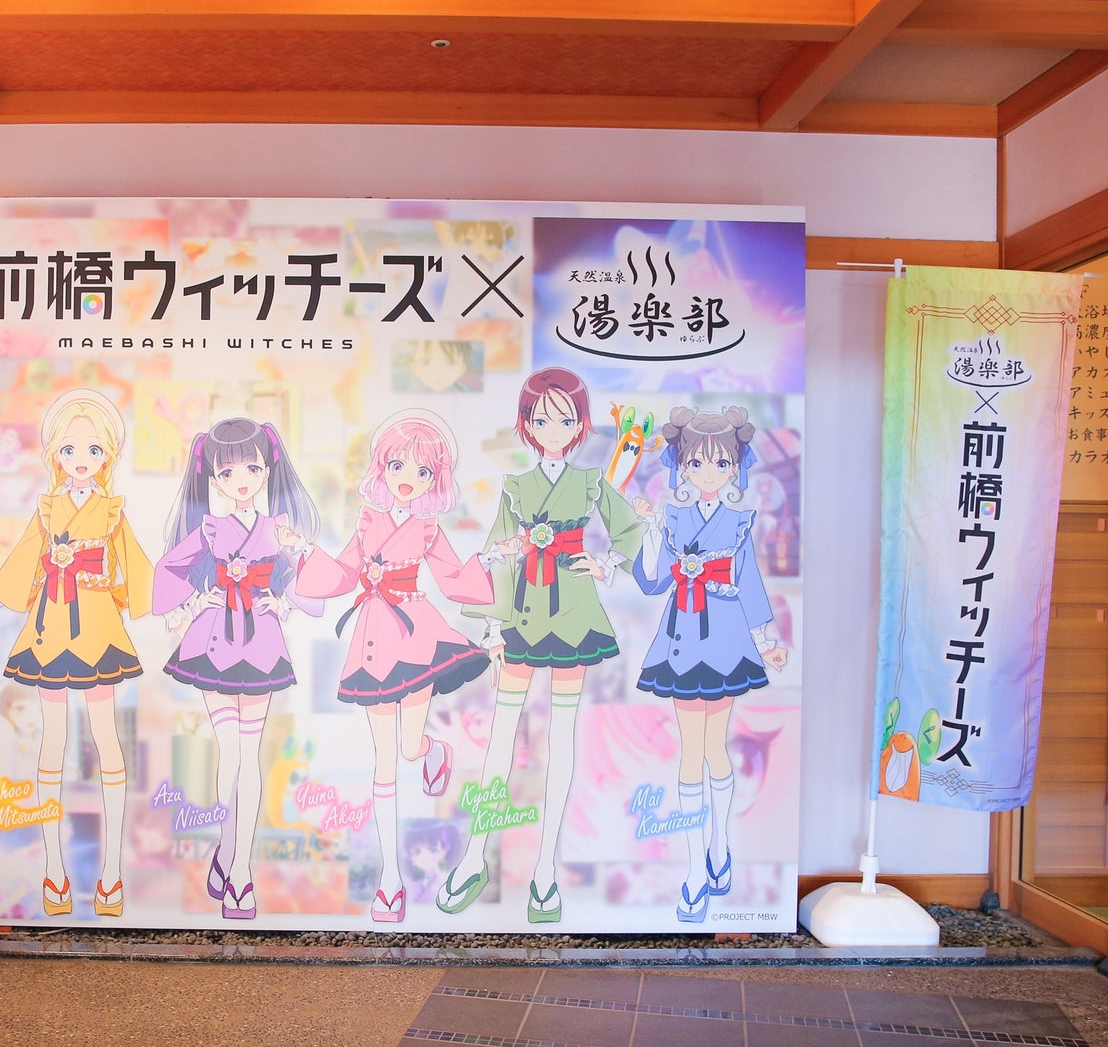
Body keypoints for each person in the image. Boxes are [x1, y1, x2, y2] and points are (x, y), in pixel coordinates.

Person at [441, 367, 644, 923]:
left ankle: (545, 870)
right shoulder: (515, 487)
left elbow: (629, 529)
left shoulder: (591, 483)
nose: (553, 428)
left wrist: (605, 562)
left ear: (579, 425)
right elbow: (496, 554)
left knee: (561, 737)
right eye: (541, 417)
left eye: (565, 418)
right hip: (522, 612)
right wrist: (491, 627)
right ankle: (474, 856)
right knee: (501, 737)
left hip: (574, 611)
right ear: (527, 424)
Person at [0, 389, 154, 920]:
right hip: (51, 629)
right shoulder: (45, 510)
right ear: (54, 454)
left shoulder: (112, 512)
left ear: (107, 455)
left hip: (98, 628)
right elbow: (21, 563)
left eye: (93, 450)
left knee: (107, 740)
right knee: (51, 743)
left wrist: (178, 611)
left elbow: (137, 566)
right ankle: (53, 870)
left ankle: (111, 872)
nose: (81, 460)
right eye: (69, 449)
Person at [277, 410, 493, 923]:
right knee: (385, 762)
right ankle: (390, 881)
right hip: (374, 640)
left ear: (435, 479)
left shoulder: (428, 528)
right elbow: (342, 573)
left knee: (409, 746)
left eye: (422, 471)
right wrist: (303, 549)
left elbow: (453, 578)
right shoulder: (367, 520)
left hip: (416, 634)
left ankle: (432, 749)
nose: (408, 479)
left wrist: (488, 562)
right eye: (398, 465)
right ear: (382, 467)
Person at [154, 417, 323, 921]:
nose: (241, 480)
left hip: (262, 643)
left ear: (267, 470)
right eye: (228, 473)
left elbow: (310, 583)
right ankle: (232, 856)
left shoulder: (278, 529)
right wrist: (185, 610)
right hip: (214, 641)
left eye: (252, 468)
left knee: (248, 754)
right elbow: (169, 568)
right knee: (231, 754)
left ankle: (237, 864)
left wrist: (284, 604)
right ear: (214, 478)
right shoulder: (209, 527)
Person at [631, 405, 787, 922]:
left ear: (735, 466)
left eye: (721, 463)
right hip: (681, 632)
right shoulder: (671, 516)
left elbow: (750, 583)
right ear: (681, 465)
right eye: (696, 462)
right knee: (691, 750)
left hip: (723, 636)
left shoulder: (740, 520)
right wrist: (651, 531)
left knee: (713, 748)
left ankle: (719, 843)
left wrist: (766, 640)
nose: (708, 472)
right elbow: (653, 580)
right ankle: (697, 868)